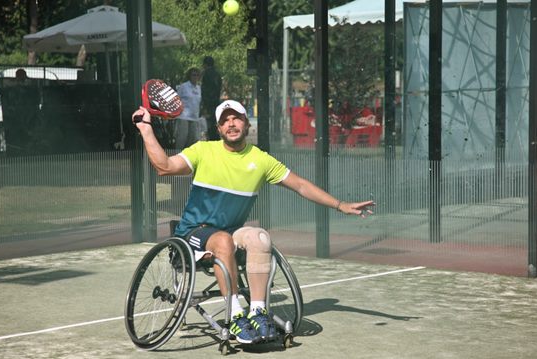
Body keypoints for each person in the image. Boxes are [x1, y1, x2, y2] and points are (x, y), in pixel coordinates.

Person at [132, 100, 375, 344]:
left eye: (236, 118)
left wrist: (340, 205)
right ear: (218, 128)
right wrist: (146, 129)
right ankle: (236, 315)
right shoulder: (203, 151)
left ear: (246, 124)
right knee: (224, 241)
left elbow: (300, 185)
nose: (231, 124)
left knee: (259, 237)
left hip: (229, 234)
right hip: (193, 235)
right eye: (225, 120)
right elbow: (164, 167)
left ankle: (258, 312)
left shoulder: (260, 160)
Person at [174, 67, 202, 149]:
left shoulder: (199, 88)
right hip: (184, 116)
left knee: (193, 139)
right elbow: (176, 100)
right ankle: (177, 156)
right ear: (189, 76)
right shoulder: (183, 86)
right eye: (193, 75)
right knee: (182, 139)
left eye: (197, 75)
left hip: (194, 117)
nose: (195, 77)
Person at [200, 56, 222, 141]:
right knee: (215, 125)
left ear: (205, 64)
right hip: (216, 103)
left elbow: (205, 91)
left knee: (209, 126)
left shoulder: (206, 74)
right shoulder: (217, 74)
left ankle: (212, 142)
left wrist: (204, 105)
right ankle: (216, 141)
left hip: (208, 104)